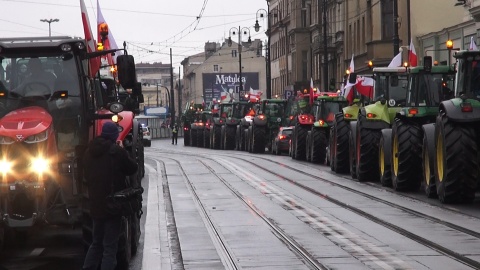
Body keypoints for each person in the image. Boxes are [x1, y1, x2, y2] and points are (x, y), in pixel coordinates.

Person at [82, 122, 138, 270]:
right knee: (110, 247)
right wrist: (122, 150)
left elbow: (86, 176)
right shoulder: (116, 151)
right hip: (113, 205)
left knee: (96, 243)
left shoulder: (89, 152)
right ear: (114, 136)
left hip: (95, 205)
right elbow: (132, 168)